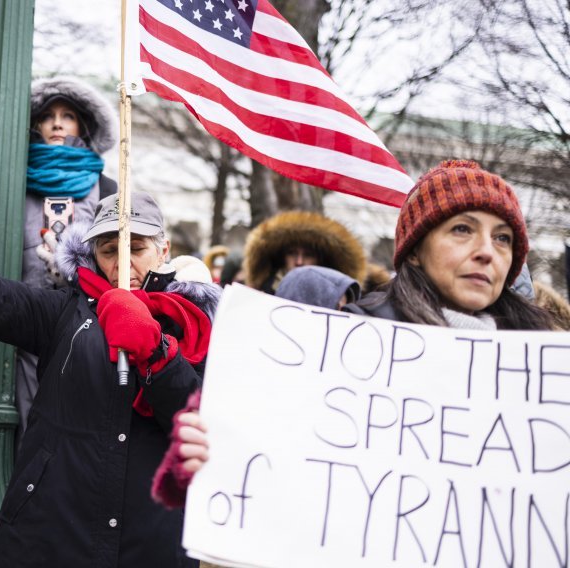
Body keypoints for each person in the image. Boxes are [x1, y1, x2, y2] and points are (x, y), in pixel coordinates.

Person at [151, 159, 555, 508]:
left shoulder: (546, 370)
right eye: (462, 230)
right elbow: (235, 468)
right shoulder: (337, 342)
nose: (487, 250)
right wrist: (202, 456)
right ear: (415, 250)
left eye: (503, 237)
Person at [0, 114, 219, 566]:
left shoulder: (196, 323)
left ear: (164, 249)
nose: (121, 263)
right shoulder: (64, 309)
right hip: (53, 527)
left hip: (150, 534)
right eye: (108, 250)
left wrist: (155, 351)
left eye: (135, 248)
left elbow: (199, 416)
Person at [16, 77, 117, 440]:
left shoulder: (108, 190)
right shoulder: (13, 181)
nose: (57, 123)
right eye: (48, 116)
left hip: (85, 324)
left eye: (68, 115)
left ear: (83, 127)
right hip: (20, 325)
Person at [242, 210, 367, 294]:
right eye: (292, 253)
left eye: (308, 255)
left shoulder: (338, 296)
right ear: (282, 256)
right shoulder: (258, 292)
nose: (299, 262)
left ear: (321, 259)